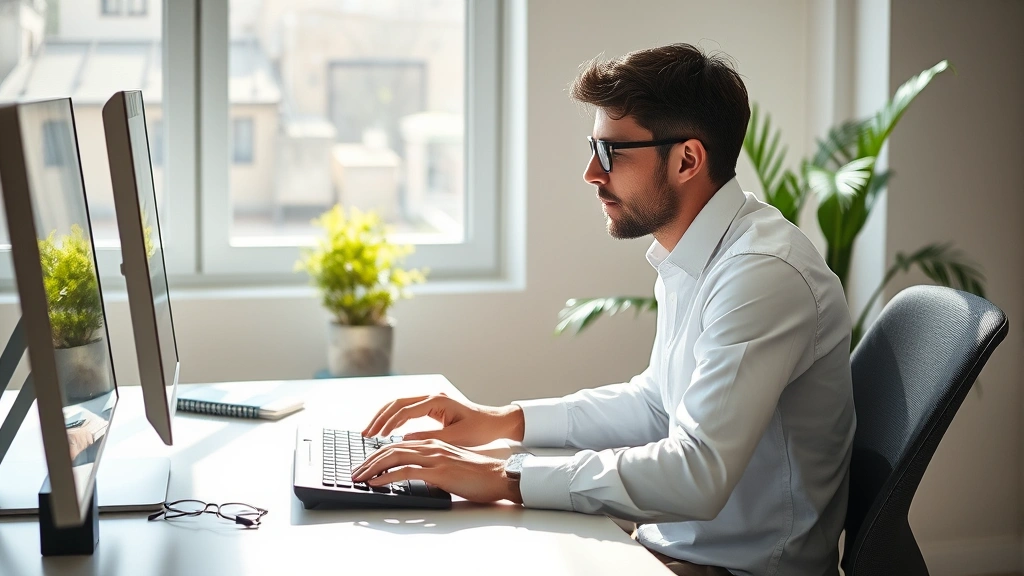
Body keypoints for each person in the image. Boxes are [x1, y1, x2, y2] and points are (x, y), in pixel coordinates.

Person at [352, 43, 855, 576]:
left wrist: (506, 476)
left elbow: (697, 474)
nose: (591, 172)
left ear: (687, 159)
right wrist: (500, 423)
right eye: (593, 146)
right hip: (673, 548)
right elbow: (657, 406)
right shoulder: (698, 255)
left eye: (612, 152)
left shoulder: (761, 273)